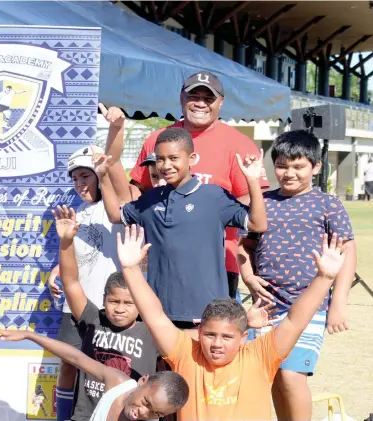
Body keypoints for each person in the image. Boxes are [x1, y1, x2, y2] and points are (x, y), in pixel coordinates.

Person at [117, 224, 348, 421]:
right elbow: (155, 317)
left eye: (227, 337)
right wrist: (130, 269)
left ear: (243, 336)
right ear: (199, 332)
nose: (217, 344)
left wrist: (324, 278)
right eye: (210, 335)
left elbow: (295, 321)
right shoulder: (186, 354)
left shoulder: (260, 356)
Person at [237, 130, 357, 421]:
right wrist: (249, 278)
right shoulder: (262, 202)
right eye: (282, 165)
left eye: (298, 166)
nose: (288, 173)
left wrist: (338, 303)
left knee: (292, 375)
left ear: (315, 167)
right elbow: (243, 245)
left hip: (309, 307)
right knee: (273, 373)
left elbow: (347, 253)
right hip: (266, 307)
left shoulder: (328, 204)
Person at [100, 127, 267, 333]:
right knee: (161, 366)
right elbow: (115, 216)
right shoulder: (151, 199)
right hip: (158, 313)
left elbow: (257, 224)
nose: (166, 165)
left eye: (173, 158)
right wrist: (102, 177)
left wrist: (252, 180)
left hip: (205, 315)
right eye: (160, 159)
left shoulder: (214, 197)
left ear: (192, 158)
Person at [127, 72, 269, 300]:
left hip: (217, 263)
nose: (201, 103)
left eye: (208, 98)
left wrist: (204, 213)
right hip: (159, 260)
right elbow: (138, 189)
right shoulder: (158, 139)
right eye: (194, 96)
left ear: (220, 102)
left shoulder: (239, 143)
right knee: (159, 331)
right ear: (182, 98)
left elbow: (255, 201)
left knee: (210, 333)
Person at [52, 205, 159, 421]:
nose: (119, 308)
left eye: (128, 303)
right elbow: (71, 282)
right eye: (113, 301)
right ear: (103, 300)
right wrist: (66, 242)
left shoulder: (152, 332)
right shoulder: (92, 319)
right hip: (87, 416)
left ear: (140, 303)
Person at [50, 142, 123, 421]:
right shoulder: (77, 213)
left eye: (86, 176)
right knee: (68, 364)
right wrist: (56, 271)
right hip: (74, 306)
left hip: (106, 308)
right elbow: (76, 256)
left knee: (105, 368)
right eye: (75, 178)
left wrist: (115, 131)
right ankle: (64, 418)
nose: (80, 184)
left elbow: (113, 164)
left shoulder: (116, 207)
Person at [0, 328, 189, 421]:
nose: (144, 413)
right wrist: (30, 335)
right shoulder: (118, 382)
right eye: (146, 402)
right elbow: (75, 358)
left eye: (156, 414)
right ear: (142, 380)